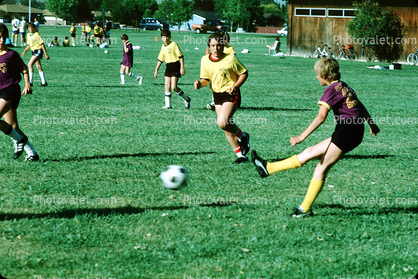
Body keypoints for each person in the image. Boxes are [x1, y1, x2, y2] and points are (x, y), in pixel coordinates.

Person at [251, 57, 380, 217]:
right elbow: (360, 106)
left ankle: (304, 209)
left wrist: (300, 137)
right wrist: (371, 124)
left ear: (324, 76)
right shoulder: (344, 86)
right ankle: (268, 168)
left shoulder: (331, 90)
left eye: (317, 74)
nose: (316, 77)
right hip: (352, 129)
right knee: (310, 152)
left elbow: (321, 117)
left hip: (348, 130)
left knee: (321, 168)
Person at [194, 32, 250, 164]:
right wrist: (199, 84)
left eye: (219, 45)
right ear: (209, 46)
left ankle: (243, 136)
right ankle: (241, 156)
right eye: (213, 45)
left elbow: (244, 73)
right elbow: (205, 79)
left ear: (223, 45)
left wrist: (236, 85)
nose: (216, 48)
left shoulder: (230, 59)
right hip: (217, 95)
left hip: (231, 93)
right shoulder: (204, 60)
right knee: (226, 127)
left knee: (222, 122)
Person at [0, 23, 39, 161]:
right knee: (13, 126)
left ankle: (19, 141)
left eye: (3, 37)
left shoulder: (11, 54)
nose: (2, 41)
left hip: (10, 91)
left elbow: (24, 69)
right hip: (0, 93)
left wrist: (27, 83)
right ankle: (32, 154)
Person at [154, 30, 191, 109]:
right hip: (168, 66)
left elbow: (181, 56)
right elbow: (160, 59)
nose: (165, 38)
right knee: (167, 86)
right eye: (163, 37)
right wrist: (156, 70)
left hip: (175, 65)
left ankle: (187, 99)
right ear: (161, 38)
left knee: (174, 87)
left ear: (170, 37)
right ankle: (168, 105)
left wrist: (182, 67)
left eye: (167, 37)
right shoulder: (163, 47)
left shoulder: (174, 44)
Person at [206, 31, 236, 111]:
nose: (225, 41)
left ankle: (229, 102)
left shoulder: (230, 49)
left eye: (226, 40)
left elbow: (233, 58)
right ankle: (213, 103)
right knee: (215, 87)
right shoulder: (217, 47)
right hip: (216, 71)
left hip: (226, 72)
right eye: (223, 40)